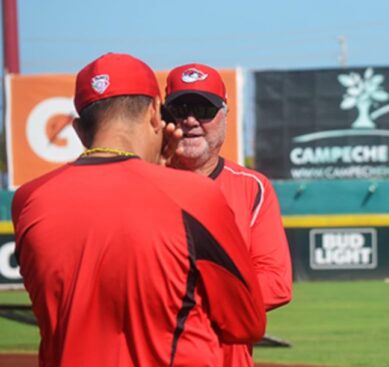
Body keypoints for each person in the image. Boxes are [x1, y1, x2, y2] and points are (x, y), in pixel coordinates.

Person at [12, 53, 266, 366]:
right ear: (153, 115)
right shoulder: (194, 194)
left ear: (78, 130)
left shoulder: (28, 198)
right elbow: (246, 323)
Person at [164, 63, 293, 366]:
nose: (190, 120)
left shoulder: (252, 187)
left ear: (225, 113)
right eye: (179, 109)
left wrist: (191, 302)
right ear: (163, 117)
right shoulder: (140, 181)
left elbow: (276, 282)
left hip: (225, 355)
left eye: (203, 109)